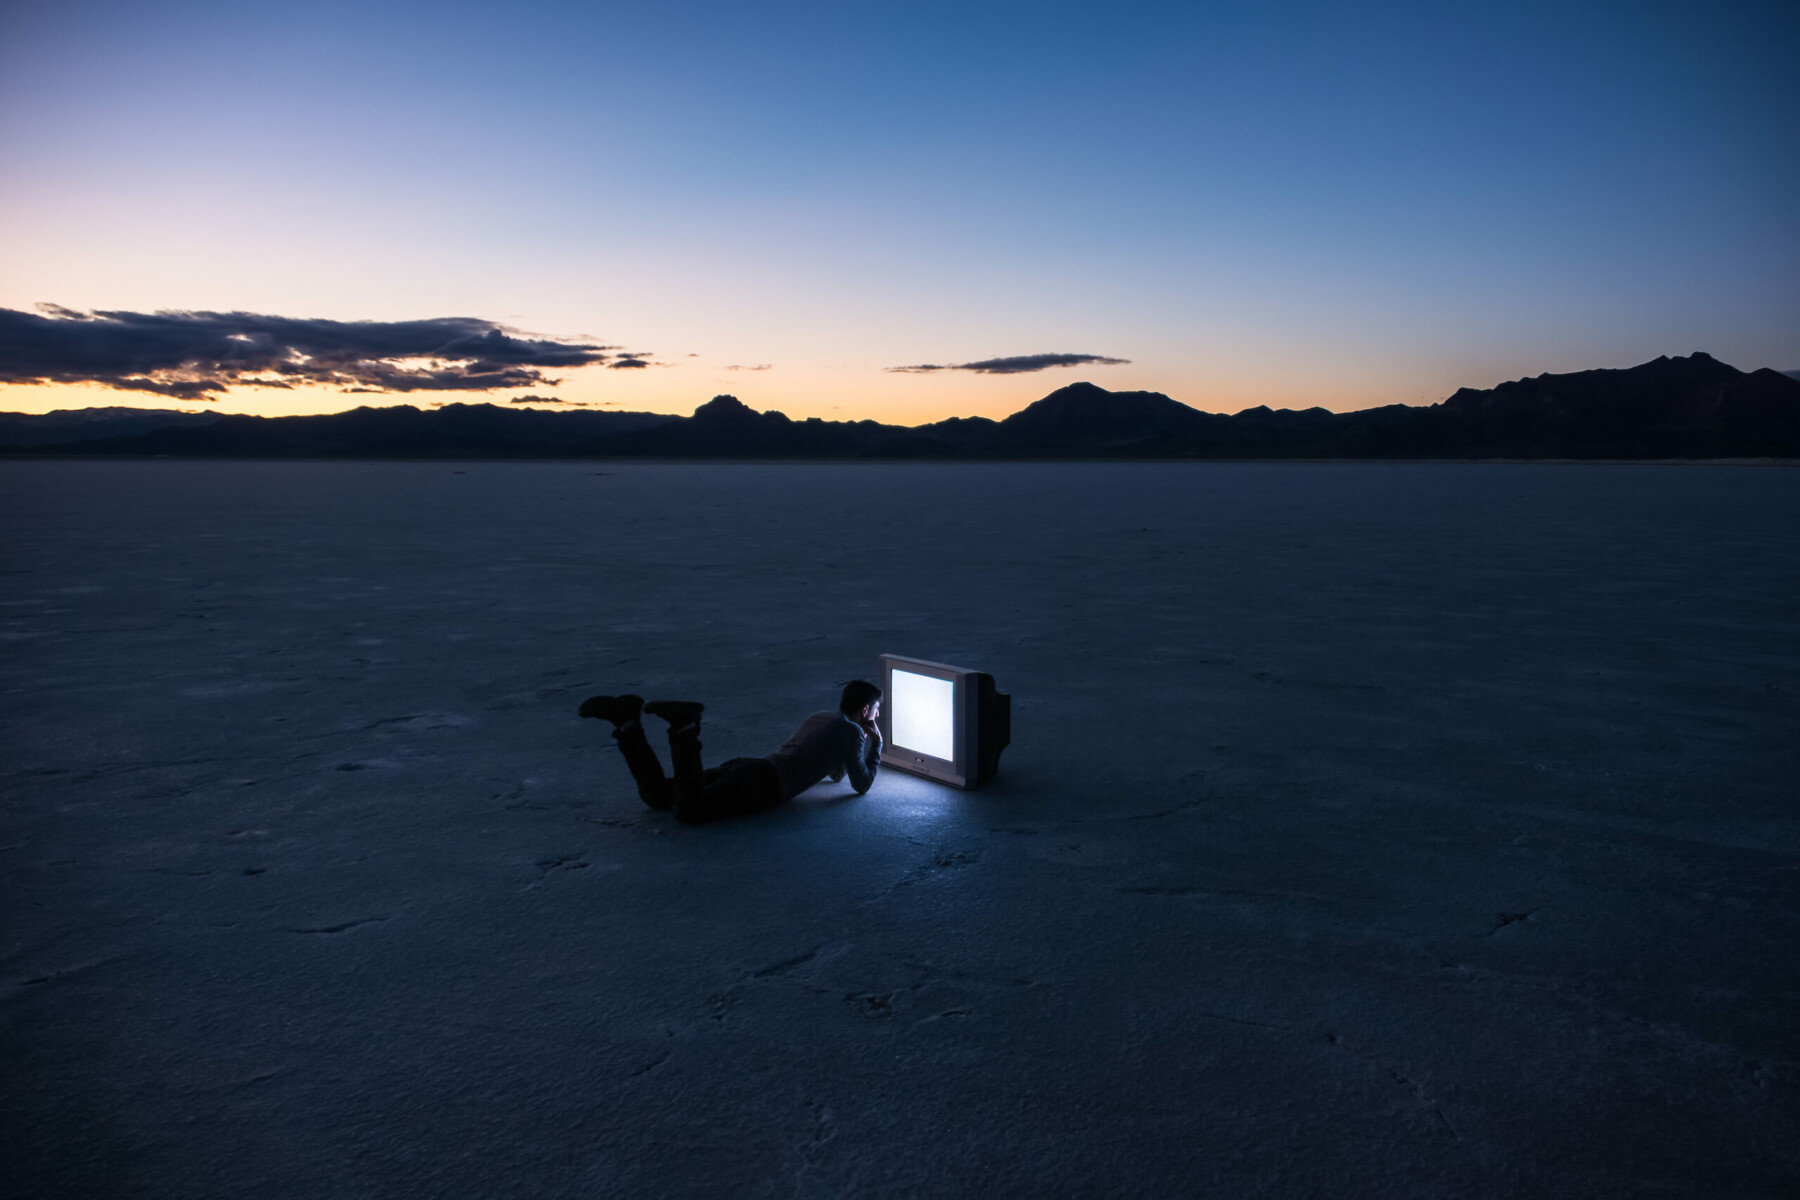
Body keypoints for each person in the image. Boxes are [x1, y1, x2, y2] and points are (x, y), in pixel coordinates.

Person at [579, 680, 883, 824]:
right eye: (877, 711)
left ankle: (627, 722)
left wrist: (851, 749)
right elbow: (861, 785)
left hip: (750, 767)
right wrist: (876, 743)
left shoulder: (821, 717)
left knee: (658, 796)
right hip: (764, 786)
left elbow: (833, 771)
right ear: (866, 709)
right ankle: (684, 727)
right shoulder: (852, 732)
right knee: (691, 809)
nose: (878, 717)